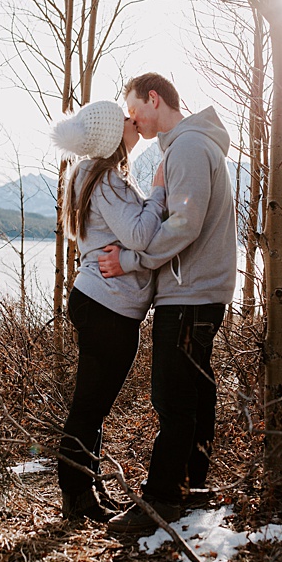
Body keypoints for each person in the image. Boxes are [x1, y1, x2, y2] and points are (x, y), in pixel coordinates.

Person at [99, 72, 238, 534]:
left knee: (172, 397)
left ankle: (160, 500)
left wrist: (133, 260)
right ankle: (192, 488)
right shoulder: (190, 146)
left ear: (153, 98)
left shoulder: (189, 147)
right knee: (196, 392)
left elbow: (184, 225)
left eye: (134, 107)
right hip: (198, 290)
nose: (132, 119)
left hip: (190, 293)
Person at [49, 100, 159, 524]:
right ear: (114, 136)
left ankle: (87, 487)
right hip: (107, 307)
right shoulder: (107, 181)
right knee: (90, 404)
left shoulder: (91, 176)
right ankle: (77, 493)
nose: (134, 123)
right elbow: (140, 233)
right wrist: (161, 192)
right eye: (126, 121)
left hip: (101, 303)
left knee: (93, 404)